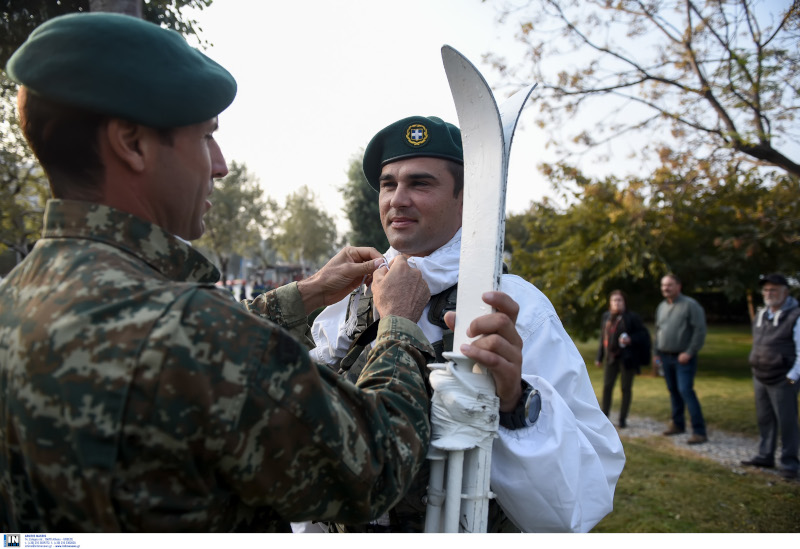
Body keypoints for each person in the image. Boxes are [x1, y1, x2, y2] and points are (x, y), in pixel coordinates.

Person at [0, 13, 435, 532]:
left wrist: (311, 293)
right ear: (131, 143)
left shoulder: (18, 297)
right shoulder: (189, 330)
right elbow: (378, 465)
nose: (221, 164)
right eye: (206, 136)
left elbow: (194, 350)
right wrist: (399, 329)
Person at [304, 115, 626, 532]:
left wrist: (513, 403)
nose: (397, 199)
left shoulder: (514, 306)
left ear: (467, 197)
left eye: (420, 184)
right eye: (388, 183)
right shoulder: (351, 295)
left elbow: (585, 494)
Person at [741, 273, 800, 480]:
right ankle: (765, 455)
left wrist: (792, 378)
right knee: (765, 418)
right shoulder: (761, 315)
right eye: (766, 290)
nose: (769, 293)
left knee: (787, 421)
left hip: (784, 378)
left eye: (773, 289)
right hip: (760, 375)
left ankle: (790, 463)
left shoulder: (795, 315)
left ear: (785, 292)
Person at [654, 273, 708, 444]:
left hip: (683, 358)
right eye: (663, 285)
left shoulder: (690, 305)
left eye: (669, 285)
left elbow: (699, 331)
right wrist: (656, 354)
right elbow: (658, 331)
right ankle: (678, 424)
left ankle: (699, 431)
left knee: (685, 391)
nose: (665, 288)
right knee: (673, 391)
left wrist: (690, 352)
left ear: (679, 286)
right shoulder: (661, 306)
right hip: (665, 356)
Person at [595, 290, 650, 429]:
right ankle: (604, 416)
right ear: (610, 303)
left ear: (624, 302)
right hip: (610, 358)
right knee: (607, 387)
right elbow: (603, 338)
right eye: (614, 300)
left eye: (619, 300)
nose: (617, 303)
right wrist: (599, 357)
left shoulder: (632, 317)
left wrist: (630, 339)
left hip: (627, 359)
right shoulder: (606, 317)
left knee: (626, 388)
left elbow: (643, 335)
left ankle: (622, 419)